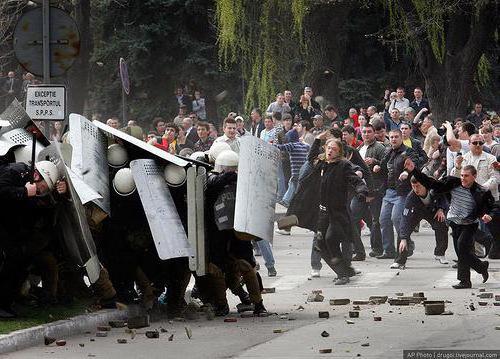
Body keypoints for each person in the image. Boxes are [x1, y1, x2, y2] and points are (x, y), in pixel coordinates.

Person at [405, 160, 494, 289]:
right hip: (455, 223)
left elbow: (492, 206)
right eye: (462, 175)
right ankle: (476, 271)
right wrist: (414, 170)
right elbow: (431, 183)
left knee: (462, 246)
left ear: (474, 177)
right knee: (462, 253)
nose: (463, 178)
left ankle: (469, 277)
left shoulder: (481, 191)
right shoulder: (452, 183)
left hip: (469, 224)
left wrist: (488, 215)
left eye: (467, 176)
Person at [205, 150, 268, 316]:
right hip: (218, 229)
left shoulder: (246, 180)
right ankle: (221, 305)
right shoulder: (211, 178)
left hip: (238, 228)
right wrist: (232, 175)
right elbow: (212, 183)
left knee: (246, 265)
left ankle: (258, 304)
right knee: (216, 267)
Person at [0, 160, 66, 317]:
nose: (40, 191)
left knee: (20, 261)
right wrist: (23, 191)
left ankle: (6, 303)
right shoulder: (12, 172)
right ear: (36, 175)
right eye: (42, 187)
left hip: (12, 228)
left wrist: (60, 193)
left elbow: (43, 208)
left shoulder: (34, 188)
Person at [310, 134, 369, 284]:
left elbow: (356, 180)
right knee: (320, 244)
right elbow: (310, 158)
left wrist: (362, 192)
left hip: (338, 213)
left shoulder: (343, 165)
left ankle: (343, 274)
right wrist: (317, 139)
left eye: (334, 149)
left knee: (331, 239)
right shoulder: (323, 163)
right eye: (329, 148)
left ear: (339, 152)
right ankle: (344, 270)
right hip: (323, 213)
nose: (330, 151)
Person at [373, 129, 419, 259]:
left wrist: (407, 172)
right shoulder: (388, 150)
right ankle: (388, 251)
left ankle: (406, 244)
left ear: (401, 138)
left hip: (402, 191)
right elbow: (383, 164)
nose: (393, 139)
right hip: (389, 191)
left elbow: (414, 163)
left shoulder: (408, 151)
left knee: (396, 218)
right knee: (383, 220)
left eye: (396, 137)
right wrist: (378, 166)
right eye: (391, 137)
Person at [391, 176, 449, 269]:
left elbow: (444, 199)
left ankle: (440, 253)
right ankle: (399, 261)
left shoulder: (435, 188)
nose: (415, 189)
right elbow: (405, 218)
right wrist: (404, 238)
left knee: (442, 225)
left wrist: (441, 209)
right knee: (402, 233)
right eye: (413, 186)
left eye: (418, 186)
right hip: (417, 213)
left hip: (434, 211)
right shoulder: (411, 197)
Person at [351, 124, 387, 259]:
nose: (366, 134)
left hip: (375, 189)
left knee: (375, 220)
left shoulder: (379, 147)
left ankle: (378, 248)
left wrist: (375, 161)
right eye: (364, 132)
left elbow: (387, 164)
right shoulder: (359, 148)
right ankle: (357, 250)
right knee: (354, 218)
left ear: (374, 133)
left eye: (369, 132)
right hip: (359, 190)